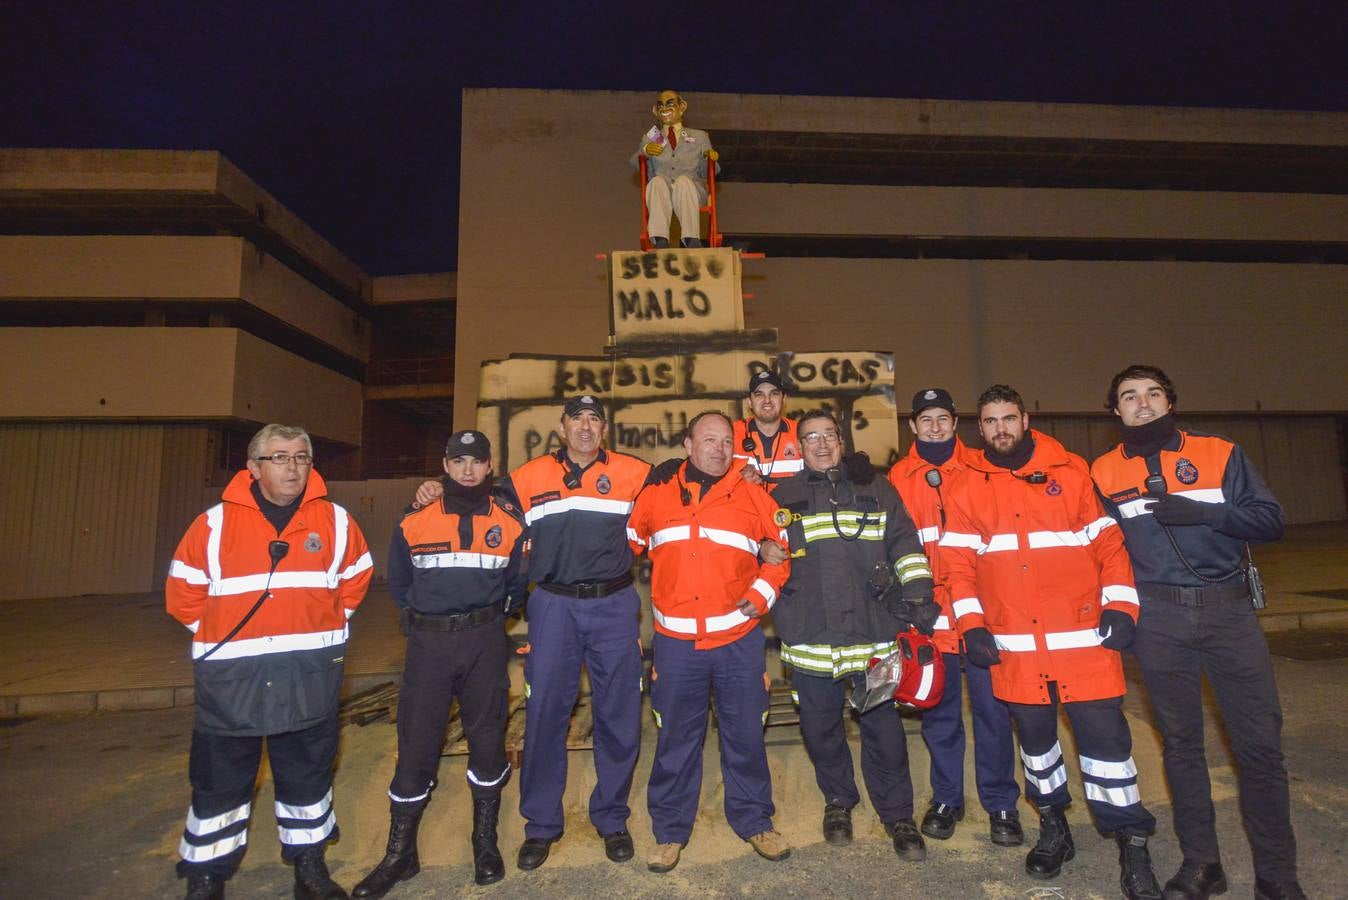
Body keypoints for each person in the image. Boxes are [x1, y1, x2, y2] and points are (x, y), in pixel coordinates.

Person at [938, 385, 1163, 900]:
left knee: (1108, 750)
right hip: (1014, 647)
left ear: (1026, 418)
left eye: (1008, 418)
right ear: (981, 427)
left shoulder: (1070, 471)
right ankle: (1054, 828)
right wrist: (970, 625)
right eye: (990, 421)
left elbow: (1109, 544)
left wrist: (1122, 607)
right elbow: (956, 566)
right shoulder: (966, 485)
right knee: (1037, 749)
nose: (1000, 429)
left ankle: (1132, 842)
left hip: (1084, 641)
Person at [1091, 365, 1303, 900]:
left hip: (1228, 613)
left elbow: (1271, 520)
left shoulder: (1219, 452)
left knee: (1258, 748)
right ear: (1116, 411)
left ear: (1170, 402)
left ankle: (1278, 876)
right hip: (1158, 620)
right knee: (1182, 747)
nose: (1142, 404)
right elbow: (1099, 549)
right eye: (1129, 396)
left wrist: (1211, 514)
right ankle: (1202, 865)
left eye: (1153, 393)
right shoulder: (1103, 471)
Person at [414, 396, 650, 870]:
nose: (585, 427)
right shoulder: (526, 477)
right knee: (545, 713)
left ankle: (611, 817)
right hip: (552, 606)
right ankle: (541, 824)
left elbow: (688, 485)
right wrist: (431, 490)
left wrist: (748, 476)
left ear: (604, 430)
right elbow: (475, 498)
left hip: (614, 604)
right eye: (576, 419)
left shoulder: (636, 474)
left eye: (594, 420)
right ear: (561, 428)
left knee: (618, 712)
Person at [166, 424, 373, 900]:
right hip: (233, 677)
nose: (293, 467)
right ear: (254, 467)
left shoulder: (336, 522)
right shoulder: (213, 525)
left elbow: (356, 580)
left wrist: (319, 627)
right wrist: (230, 640)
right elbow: (183, 597)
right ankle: (206, 875)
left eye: (301, 457)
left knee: (308, 771)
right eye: (280, 457)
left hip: (308, 673)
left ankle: (308, 865)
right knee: (221, 779)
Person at [354, 430, 527, 896]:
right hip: (428, 646)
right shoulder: (416, 516)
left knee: (488, 739)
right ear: (445, 466)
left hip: (485, 641)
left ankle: (484, 842)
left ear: (489, 466)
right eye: (459, 461)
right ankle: (399, 854)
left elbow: (516, 583)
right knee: (416, 742)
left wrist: (485, 618)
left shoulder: (509, 519)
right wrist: (430, 618)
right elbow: (400, 584)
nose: (468, 470)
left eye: (477, 461)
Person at [626, 411, 792, 873]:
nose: (718, 449)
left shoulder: (751, 494)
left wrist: (759, 597)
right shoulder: (657, 494)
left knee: (744, 734)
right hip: (677, 645)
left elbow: (780, 553)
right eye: (709, 440)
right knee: (677, 737)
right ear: (687, 444)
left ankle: (755, 820)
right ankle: (670, 831)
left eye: (725, 441)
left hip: (738, 641)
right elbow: (622, 545)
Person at [772, 408, 939, 860]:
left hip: (874, 635)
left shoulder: (876, 487)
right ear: (799, 447)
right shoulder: (780, 496)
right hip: (811, 639)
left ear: (842, 442)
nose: (822, 444)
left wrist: (919, 596)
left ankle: (897, 816)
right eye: (811, 438)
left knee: (883, 729)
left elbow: (905, 542)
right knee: (820, 729)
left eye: (830, 435)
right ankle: (838, 802)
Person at [887, 388, 1021, 846]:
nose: (935, 427)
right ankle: (947, 798)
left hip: (982, 612)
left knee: (993, 712)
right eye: (925, 419)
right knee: (940, 715)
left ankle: (1001, 802)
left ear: (956, 421)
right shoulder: (898, 477)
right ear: (912, 426)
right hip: (930, 617)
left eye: (943, 418)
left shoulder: (983, 468)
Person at [631, 88, 719, 248]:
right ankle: (659, 239)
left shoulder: (698, 136)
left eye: (670, 104)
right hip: (661, 189)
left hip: (691, 189)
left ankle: (691, 238)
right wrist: (645, 151)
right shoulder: (653, 136)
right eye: (660, 106)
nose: (664, 108)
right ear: (655, 111)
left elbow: (711, 172)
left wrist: (709, 158)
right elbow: (634, 163)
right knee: (657, 182)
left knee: (683, 181)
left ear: (682, 107)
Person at [732, 369, 803, 490]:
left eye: (774, 393)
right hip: (748, 507)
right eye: (759, 394)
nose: (767, 400)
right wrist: (736, 477)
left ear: (784, 399)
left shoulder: (801, 432)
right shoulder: (732, 433)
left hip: (793, 507)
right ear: (749, 402)